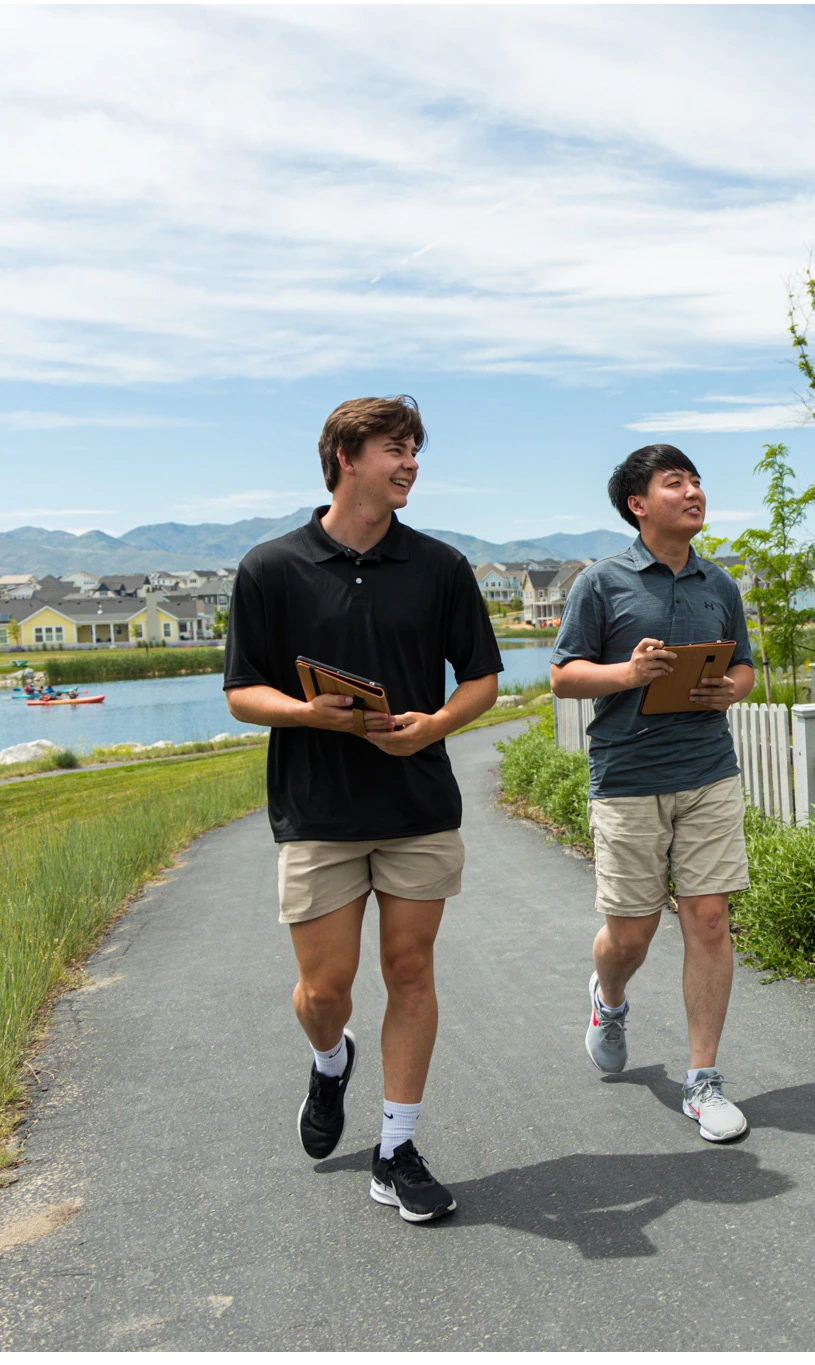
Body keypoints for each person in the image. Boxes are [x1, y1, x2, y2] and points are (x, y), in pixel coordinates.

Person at [223, 395, 502, 1222]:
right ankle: (328, 1057)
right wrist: (309, 713)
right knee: (326, 988)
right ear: (347, 456)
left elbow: (483, 679)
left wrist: (437, 724)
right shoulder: (270, 567)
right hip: (317, 810)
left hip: (418, 802)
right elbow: (242, 693)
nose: (411, 461)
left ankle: (397, 1148)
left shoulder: (442, 567)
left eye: (415, 448)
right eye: (396, 447)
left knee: (410, 970)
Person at [548, 443, 756, 1142]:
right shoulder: (601, 583)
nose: (694, 491)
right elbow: (564, 676)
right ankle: (609, 999)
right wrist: (626, 676)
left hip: (708, 772)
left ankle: (703, 1080)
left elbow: (746, 667)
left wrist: (728, 689)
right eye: (676, 483)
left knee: (708, 919)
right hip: (629, 779)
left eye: (697, 480)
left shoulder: (718, 585)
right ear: (638, 504)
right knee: (632, 933)